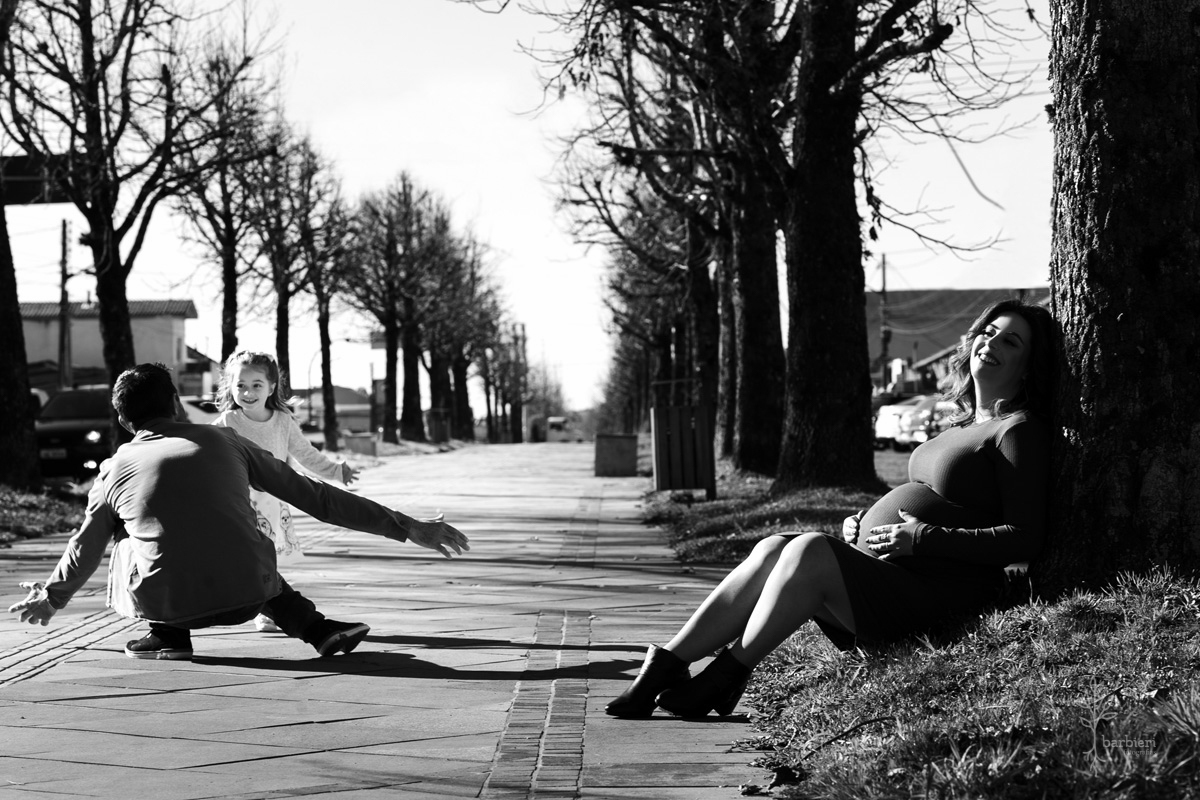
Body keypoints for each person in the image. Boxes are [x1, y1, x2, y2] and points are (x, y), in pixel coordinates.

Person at [605, 299, 1057, 718]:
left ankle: (724, 677)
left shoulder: (1017, 430)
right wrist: (865, 522)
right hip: (897, 579)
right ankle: (667, 665)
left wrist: (922, 538)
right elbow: (932, 496)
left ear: (1028, 367)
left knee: (809, 550)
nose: (991, 343)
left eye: (1010, 341)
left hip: (937, 598)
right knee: (773, 547)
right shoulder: (961, 424)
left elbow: (1025, 537)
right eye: (988, 332)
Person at [7, 363, 469, 661]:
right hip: (251, 593)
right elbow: (317, 497)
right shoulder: (226, 440)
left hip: (170, 599)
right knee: (235, 532)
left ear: (124, 421)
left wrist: (53, 597)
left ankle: (168, 636)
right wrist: (406, 526)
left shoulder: (113, 469)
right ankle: (316, 628)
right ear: (176, 404)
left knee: (124, 533)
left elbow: (84, 545)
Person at [212, 350, 358, 632]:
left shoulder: (282, 420)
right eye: (241, 385)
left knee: (268, 558)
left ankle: (268, 608)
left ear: (271, 387)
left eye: (257, 385)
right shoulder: (227, 423)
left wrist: (336, 471)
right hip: (240, 502)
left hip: (272, 502)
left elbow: (305, 453)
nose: (248, 392)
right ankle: (265, 609)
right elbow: (204, 450)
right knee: (250, 557)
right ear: (230, 387)